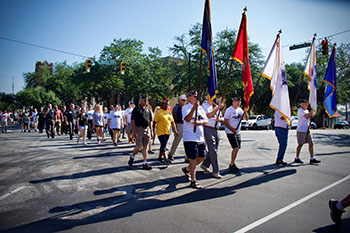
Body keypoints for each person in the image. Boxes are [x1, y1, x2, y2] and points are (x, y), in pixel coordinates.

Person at [181, 90, 208, 189]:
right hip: (190, 137)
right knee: (193, 159)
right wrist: (193, 108)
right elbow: (187, 119)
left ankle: (187, 169)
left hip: (200, 137)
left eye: (197, 96)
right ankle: (193, 180)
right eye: (194, 96)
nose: (196, 98)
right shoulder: (185, 107)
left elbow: (206, 120)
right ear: (189, 97)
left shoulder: (200, 108)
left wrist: (200, 122)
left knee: (203, 157)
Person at [200, 95, 224, 179]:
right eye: (210, 96)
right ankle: (215, 171)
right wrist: (217, 109)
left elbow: (222, 118)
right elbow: (208, 115)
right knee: (213, 150)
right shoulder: (204, 106)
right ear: (207, 97)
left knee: (214, 150)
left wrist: (219, 119)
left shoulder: (216, 106)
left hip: (216, 129)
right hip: (208, 129)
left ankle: (205, 164)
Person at [128, 95, 154, 170]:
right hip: (138, 128)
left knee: (145, 146)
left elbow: (150, 121)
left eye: (146, 100)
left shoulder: (148, 109)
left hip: (146, 129)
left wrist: (151, 131)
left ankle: (145, 163)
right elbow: (133, 121)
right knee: (139, 146)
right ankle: (132, 156)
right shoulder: (136, 109)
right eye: (144, 100)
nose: (146, 101)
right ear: (140, 100)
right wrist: (134, 131)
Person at [224, 96, 248, 172]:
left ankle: (232, 163)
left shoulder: (240, 110)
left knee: (237, 148)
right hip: (230, 132)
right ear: (233, 102)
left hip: (237, 132)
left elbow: (246, 119)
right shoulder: (229, 110)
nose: (238, 103)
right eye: (237, 101)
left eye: (239, 101)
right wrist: (232, 129)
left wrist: (245, 112)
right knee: (235, 147)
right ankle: (232, 163)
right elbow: (225, 121)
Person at [294, 99, 320, 164]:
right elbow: (307, 115)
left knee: (311, 143)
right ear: (302, 104)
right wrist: (313, 109)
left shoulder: (306, 110)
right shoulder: (300, 111)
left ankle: (312, 158)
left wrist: (308, 128)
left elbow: (308, 119)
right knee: (300, 144)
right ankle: (297, 158)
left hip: (306, 130)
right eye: (306, 103)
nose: (307, 105)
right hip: (301, 130)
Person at [154, 98, 178, 164]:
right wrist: (153, 131)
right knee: (163, 145)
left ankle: (159, 158)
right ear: (162, 104)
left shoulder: (169, 112)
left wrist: (175, 130)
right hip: (161, 132)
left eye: (167, 104)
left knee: (163, 145)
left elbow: (172, 122)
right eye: (165, 104)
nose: (167, 105)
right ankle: (166, 158)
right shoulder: (159, 112)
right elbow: (154, 122)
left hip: (167, 132)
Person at [168, 94, 186, 162]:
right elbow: (173, 118)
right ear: (180, 100)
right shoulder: (176, 107)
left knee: (187, 141)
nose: (184, 102)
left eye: (185, 100)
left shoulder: (186, 107)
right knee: (176, 141)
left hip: (185, 125)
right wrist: (174, 128)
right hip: (178, 124)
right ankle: (171, 154)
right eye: (183, 100)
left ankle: (187, 156)